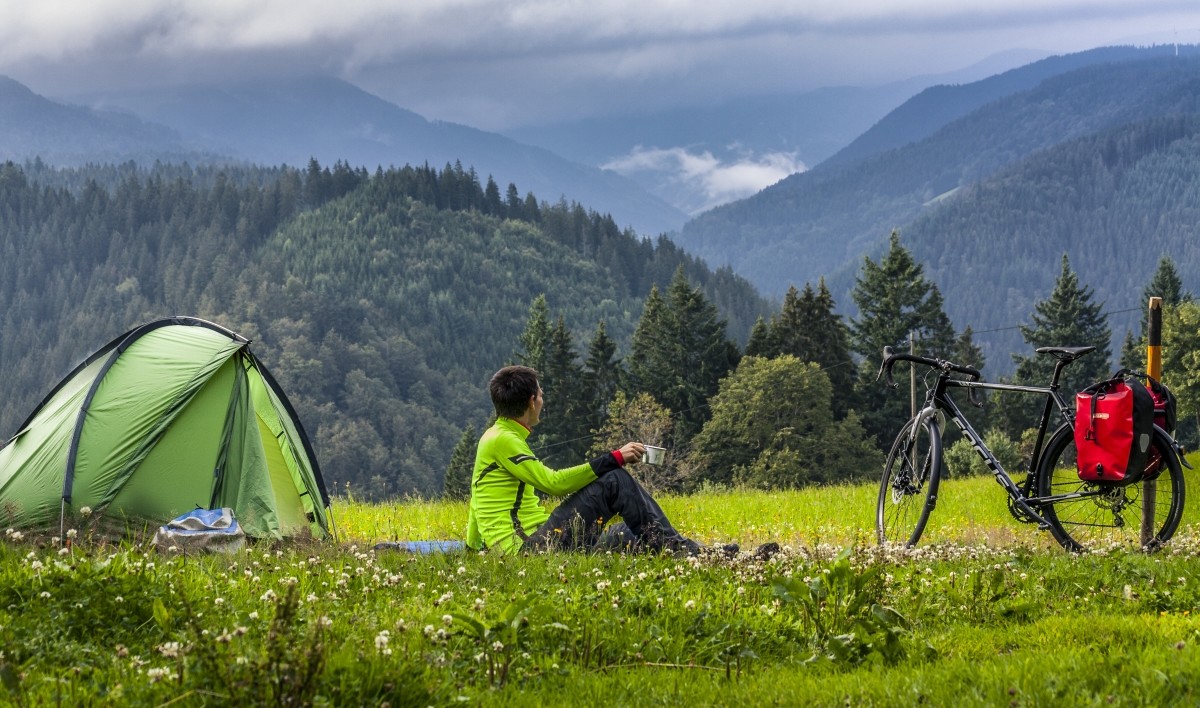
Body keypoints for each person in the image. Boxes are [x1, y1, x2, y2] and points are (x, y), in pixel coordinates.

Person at [464, 365, 725, 557]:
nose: (543, 400)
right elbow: (553, 483)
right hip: (529, 549)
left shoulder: (494, 437)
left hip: (536, 540)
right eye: (541, 394)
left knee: (627, 533)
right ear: (532, 401)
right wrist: (615, 458)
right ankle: (685, 553)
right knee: (614, 480)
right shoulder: (503, 440)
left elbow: (477, 499)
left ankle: (701, 553)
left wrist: (472, 549)